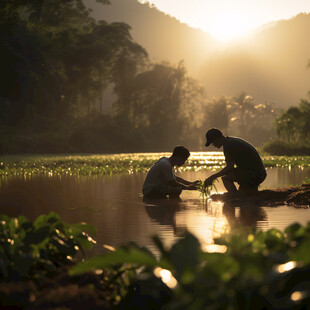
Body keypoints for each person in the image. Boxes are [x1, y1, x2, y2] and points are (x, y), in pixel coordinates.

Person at [204, 128, 267, 194]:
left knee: (226, 178)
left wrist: (212, 177)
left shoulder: (229, 145)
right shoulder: (230, 141)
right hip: (258, 173)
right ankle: (245, 192)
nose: (213, 145)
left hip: (255, 174)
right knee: (244, 190)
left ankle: (234, 197)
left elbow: (230, 167)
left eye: (213, 142)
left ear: (217, 139)